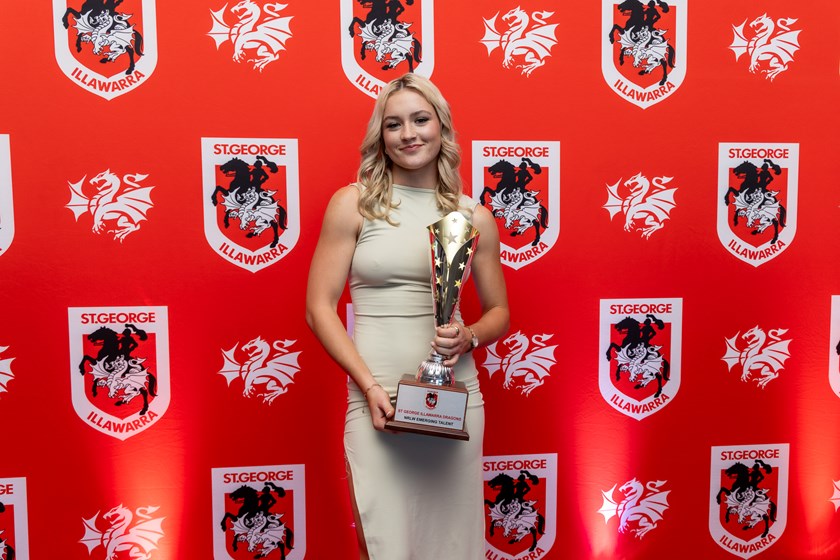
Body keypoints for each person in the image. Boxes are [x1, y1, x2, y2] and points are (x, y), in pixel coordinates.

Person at [306, 74, 509, 559]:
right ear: (381, 136)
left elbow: (499, 311)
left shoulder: (471, 216)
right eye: (393, 124)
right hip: (379, 399)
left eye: (421, 119)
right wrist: (369, 387)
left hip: (454, 400)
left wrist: (469, 336)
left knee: (453, 546)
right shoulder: (353, 204)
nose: (409, 134)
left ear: (442, 128)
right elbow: (319, 308)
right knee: (385, 543)